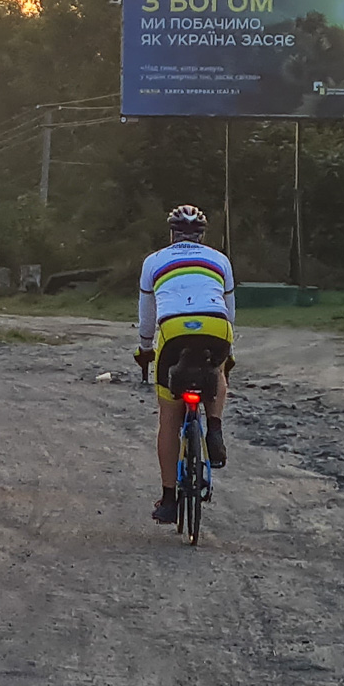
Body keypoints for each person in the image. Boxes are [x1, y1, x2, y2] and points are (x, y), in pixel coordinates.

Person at [133, 204, 235, 526]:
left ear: (172, 234)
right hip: (216, 327)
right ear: (202, 236)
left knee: (169, 419)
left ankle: (168, 501)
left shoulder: (154, 262)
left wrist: (145, 349)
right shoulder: (220, 260)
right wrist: (226, 354)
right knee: (217, 372)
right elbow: (229, 310)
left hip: (174, 332)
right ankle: (214, 428)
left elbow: (147, 318)